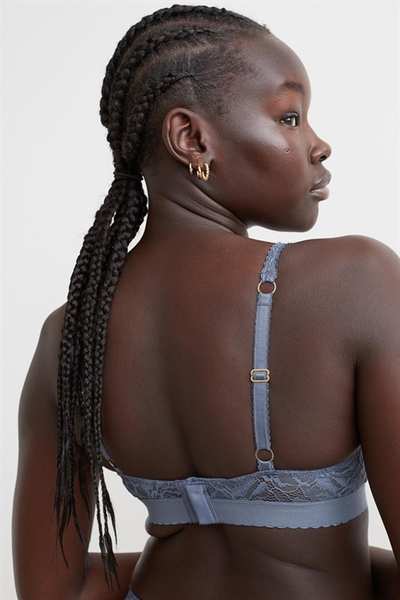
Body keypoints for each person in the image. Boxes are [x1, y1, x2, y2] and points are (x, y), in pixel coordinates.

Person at [12, 4, 400, 599]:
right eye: (290, 117)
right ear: (191, 138)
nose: (319, 145)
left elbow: (53, 593)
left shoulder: (71, 336)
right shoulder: (355, 283)